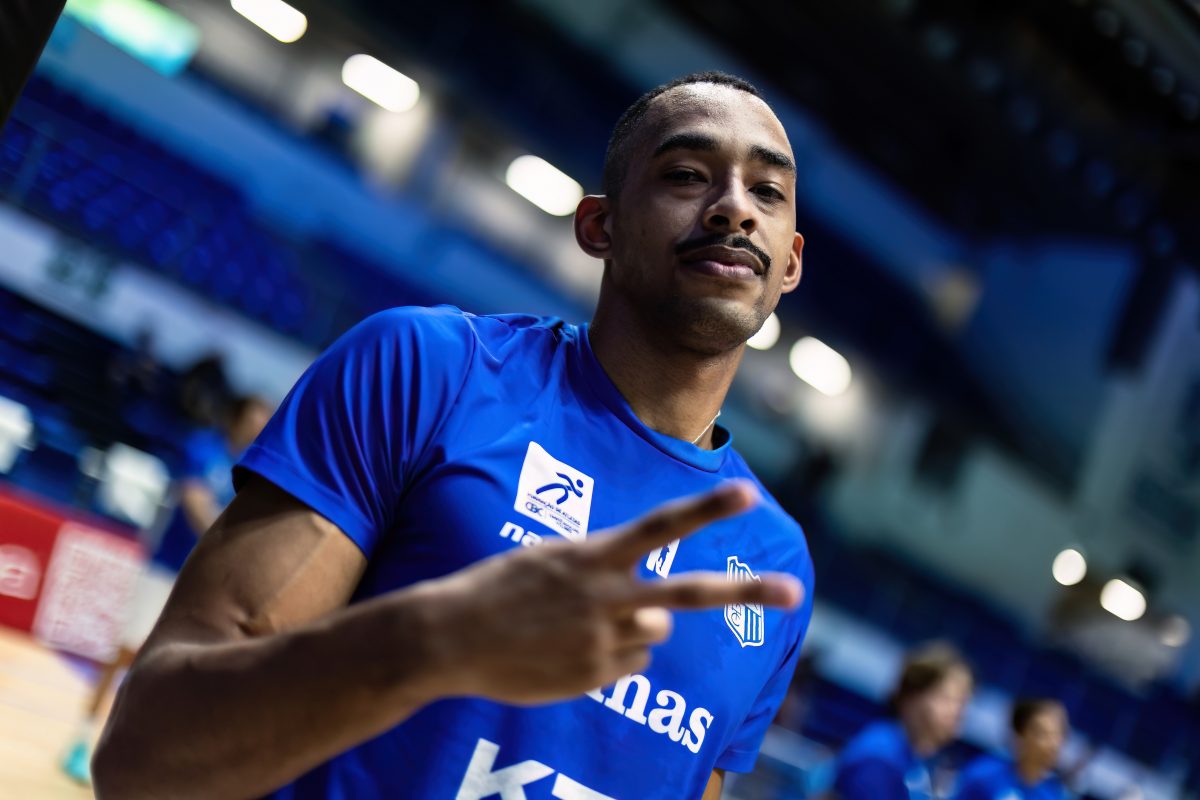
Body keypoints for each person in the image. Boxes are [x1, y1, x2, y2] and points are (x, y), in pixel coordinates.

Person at [92, 71, 814, 799]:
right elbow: (148, 757)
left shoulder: (774, 561)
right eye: (687, 175)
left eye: (767, 191)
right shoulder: (426, 371)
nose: (734, 208)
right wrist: (432, 644)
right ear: (600, 226)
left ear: (789, 264)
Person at [60, 395, 270, 784]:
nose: (262, 425)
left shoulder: (254, 465)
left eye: (267, 419)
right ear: (238, 417)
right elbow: (194, 501)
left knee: (172, 668)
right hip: (163, 569)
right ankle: (82, 738)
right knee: (126, 652)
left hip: (203, 580)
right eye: (257, 417)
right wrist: (228, 543)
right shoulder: (203, 448)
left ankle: (131, 753)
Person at [834, 642, 974, 799]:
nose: (956, 711)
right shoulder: (880, 759)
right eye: (946, 699)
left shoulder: (915, 761)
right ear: (911, 697)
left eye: (962, 703)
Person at [951, 698, 1072, 800]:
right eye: (1044, 734)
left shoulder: (1054, 795)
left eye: (1059, 735)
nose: (1054, 744)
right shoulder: (985, 774)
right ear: (1021, 735)